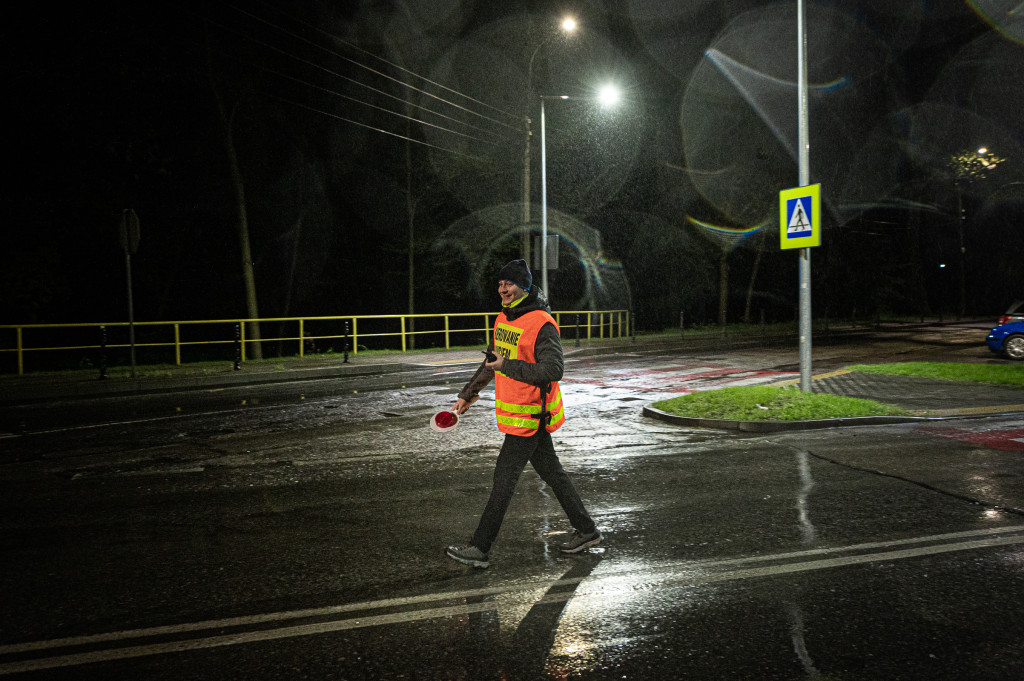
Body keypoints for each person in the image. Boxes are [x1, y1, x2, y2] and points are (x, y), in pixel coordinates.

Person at [445, 259, 601, 568]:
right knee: (553, 473)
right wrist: (468, 395)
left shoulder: (541, 323)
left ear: (524, 287)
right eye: (501, 283)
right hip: (523, 417)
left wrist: (507, 367)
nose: (502, 288)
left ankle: (480, 548)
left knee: (504, 480)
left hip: (531, 414)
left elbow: (554, 369)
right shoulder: (504, 318)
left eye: (509, 283)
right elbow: (492, 360)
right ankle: (587, 530)